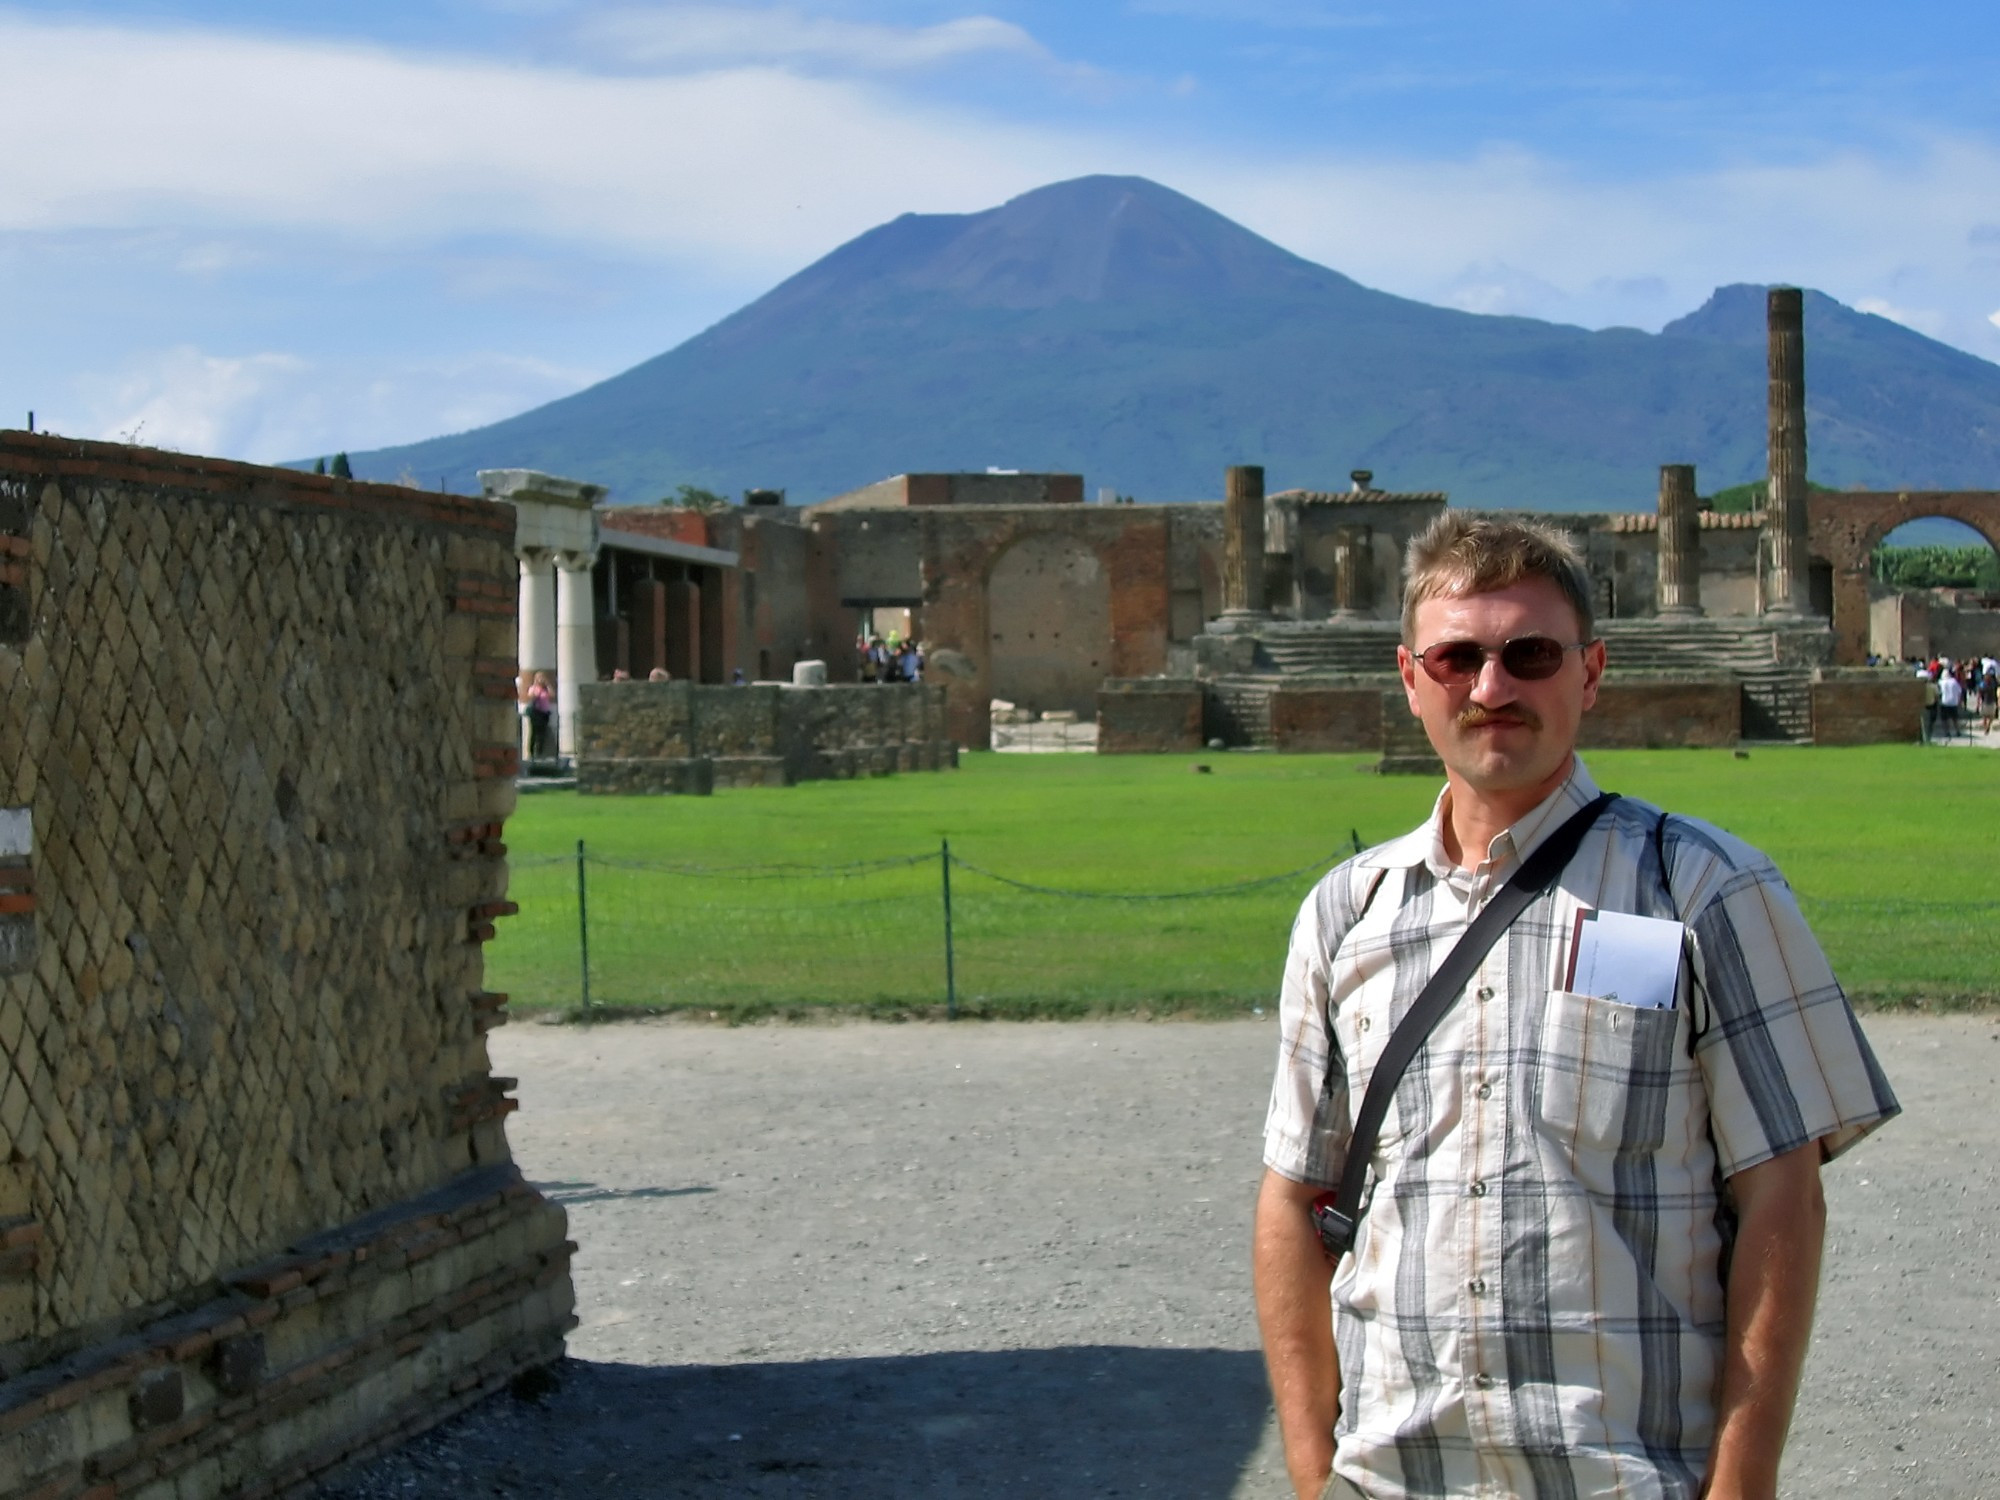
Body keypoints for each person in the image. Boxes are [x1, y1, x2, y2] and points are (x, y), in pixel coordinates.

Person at [1253, 514, 1898, 1500]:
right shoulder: (1345, 913)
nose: (1490, 686)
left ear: (1588, 673)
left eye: (1529, 653)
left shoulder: (1701, 889)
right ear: (1409, 677)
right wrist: (1309, 1473)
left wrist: (1741, 1483)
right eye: (1456, 656)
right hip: (1389, 1475)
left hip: (1621, 1476)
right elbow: (1293, 1200)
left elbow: (1782, 1196)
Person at [521, 671, 554, 761]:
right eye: (539, 678)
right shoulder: (533, 688)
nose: (541, 680)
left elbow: (552, 695)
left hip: (545, 713)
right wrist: (536, 693)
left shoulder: (545, 689)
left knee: (542, 734)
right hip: (536, 713)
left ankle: (539, 753)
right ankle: (531, 753)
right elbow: (530, 697)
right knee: (534, 733)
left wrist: (547, 685)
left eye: (542, 678)